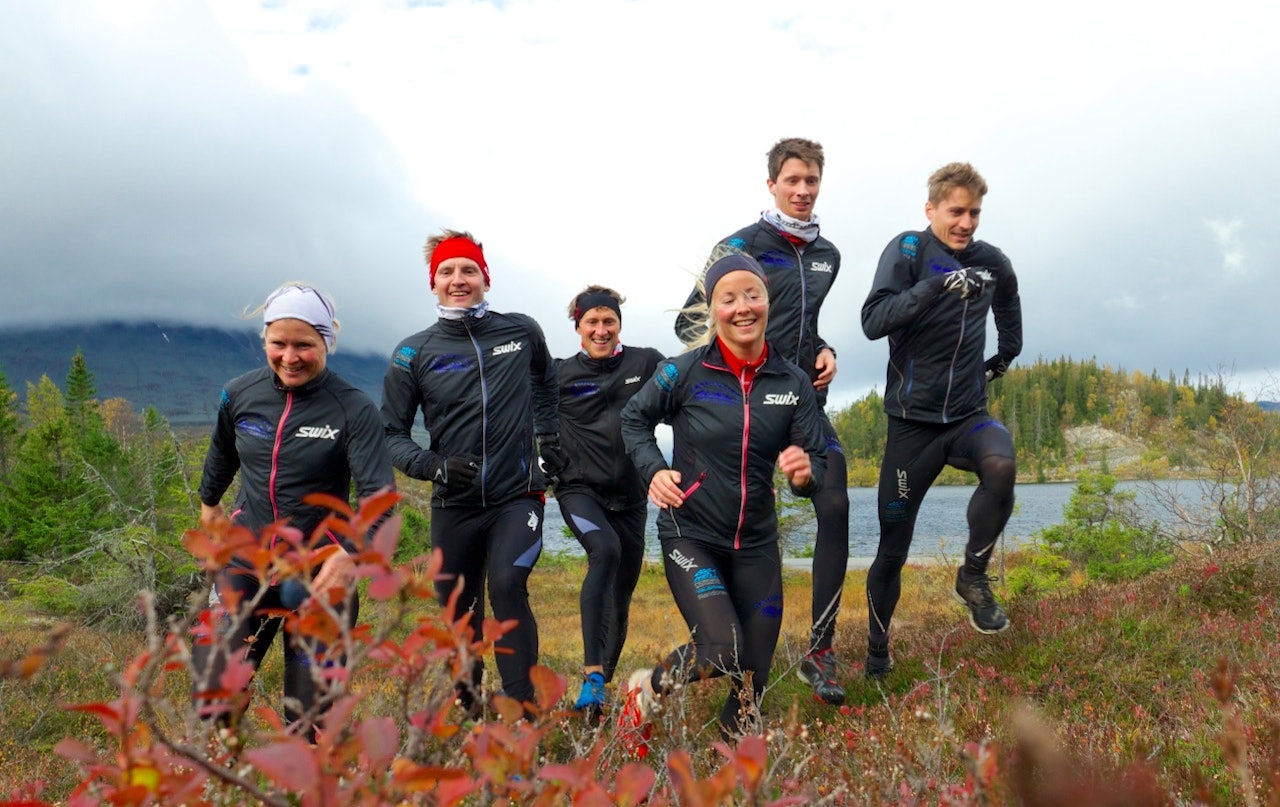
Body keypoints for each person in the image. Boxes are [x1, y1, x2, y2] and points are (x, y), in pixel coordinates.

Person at [620, 252, 827, 753]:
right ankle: (644, 693)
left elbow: (815, 462)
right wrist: (654, 470)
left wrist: (804, 473)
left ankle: (732, 765)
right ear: (713, 309)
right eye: (728, 298)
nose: (742, 308)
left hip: (757, 541)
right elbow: (633, 419)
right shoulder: (684, 371)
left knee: (752, 677)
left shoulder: (792, 382)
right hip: (691, 533)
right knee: (721, 649)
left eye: (751, 295)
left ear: (767, 302)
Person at [675, 137, 850, 705]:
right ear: (771, 183)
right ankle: (717, 634)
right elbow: (687, 324)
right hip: (741, 408)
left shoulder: (828, 254)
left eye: (812, 181)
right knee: (733, 529)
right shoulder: (738, 246)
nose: (803, 191)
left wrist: (821, 349)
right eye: (792, 180)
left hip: (800, 406)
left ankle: (819, 652)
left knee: (836, 500)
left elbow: (805, 322)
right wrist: (749, 363)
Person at [193, 282, 395, 742]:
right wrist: (209, 505)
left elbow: (378, 498)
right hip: (245, 564)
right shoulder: (238, 394)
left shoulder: (354, 409)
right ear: (264, 340)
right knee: (212, 702)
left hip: (320, 572)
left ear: (326, 342)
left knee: (311, 725)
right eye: (278, 343)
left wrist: (350, 554)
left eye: (304, 344)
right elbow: (222, 452)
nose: (290, 356)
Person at [381, 229, 560, 711]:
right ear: (432, 283)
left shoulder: (521, 331)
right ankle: (469, 708)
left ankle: (521, 711)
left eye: (468, 270)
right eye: (447, 271)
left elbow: (547, 384)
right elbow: (391, 434)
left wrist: (551, 442)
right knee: (460, 614)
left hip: (516, 496)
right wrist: (433, 466)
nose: (458, 279)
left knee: (506, 583)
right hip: (454, 503)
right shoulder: (412, 352)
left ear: (486, 278)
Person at [860, 162, 1023, 677]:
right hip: (913, 424)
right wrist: (939, 288)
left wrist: (1007, 352)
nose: (966, 222)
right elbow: (873, 321)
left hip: (967, 416)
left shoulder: (990, 260)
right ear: (931, 210)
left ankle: (973, 577)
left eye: (974, 212)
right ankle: (877, 653)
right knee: (892, 547)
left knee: (1002, 464)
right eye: (956, 211)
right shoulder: (909, 250)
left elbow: (1010, 298)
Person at [553, 286, 664, 718]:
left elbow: (687, 396)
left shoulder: (647, 362)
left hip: (632, 497)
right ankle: (592, 674)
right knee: (605, 551)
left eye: (609, 322)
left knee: (621, 598)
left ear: (619, 324)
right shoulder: (558, 374)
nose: (601, 330)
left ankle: (599, 696)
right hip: (581, 489)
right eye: (591, 323)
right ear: (578, 327)